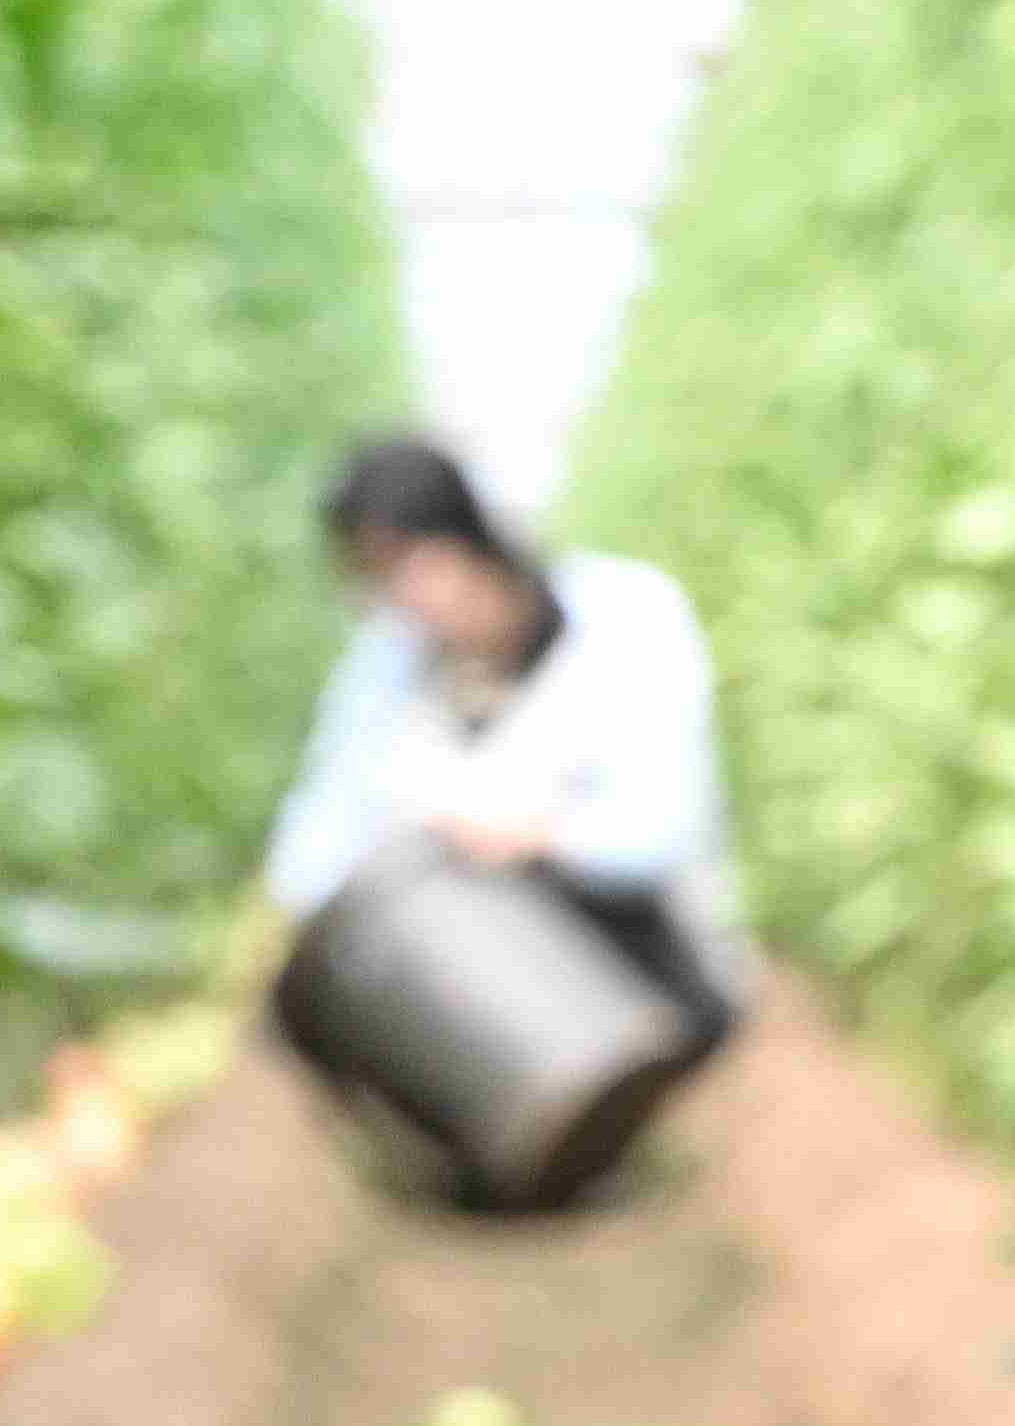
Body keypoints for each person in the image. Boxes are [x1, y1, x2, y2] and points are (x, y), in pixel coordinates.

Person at [260, 441, 749, 1160]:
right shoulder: (385, 667)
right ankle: (485, 1146)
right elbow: (319, 831)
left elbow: (664, 830)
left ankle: (601, 1104)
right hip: (466, 956)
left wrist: (531, 839)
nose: (400, 598)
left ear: (469, 537)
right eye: (374, 578)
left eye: (407, 564)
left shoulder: (627, 617)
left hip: (644, 959)